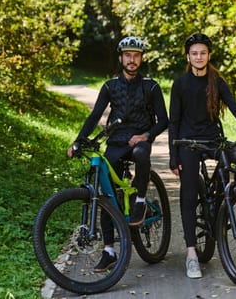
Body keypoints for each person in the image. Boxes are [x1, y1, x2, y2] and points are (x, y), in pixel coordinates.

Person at [168, 33, 236, 279]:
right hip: (188, 143)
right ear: (188, 56)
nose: (199, 57)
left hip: (214, 139)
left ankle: (235, 201)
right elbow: (174, 121)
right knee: (189, 193)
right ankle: (192, 254)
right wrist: (173, 156)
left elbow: (235, 108)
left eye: (203, 53)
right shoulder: (180, 84)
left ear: (208, 55)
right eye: (194, 53)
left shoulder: (217, 81)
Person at [67, 36, 168, 272]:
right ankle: (109, 250)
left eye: (136, 56)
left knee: (142, 153)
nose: (132, 60)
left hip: (140, 139)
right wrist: (78, 141)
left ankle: (141, 201)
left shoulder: (151, 86)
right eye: (128, 56)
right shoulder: (110, 87)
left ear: (141, 58)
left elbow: (164, 120)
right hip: (116, 141)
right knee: (107, 193)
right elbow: (94, 116)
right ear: (121, 58)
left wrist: (146, 136)